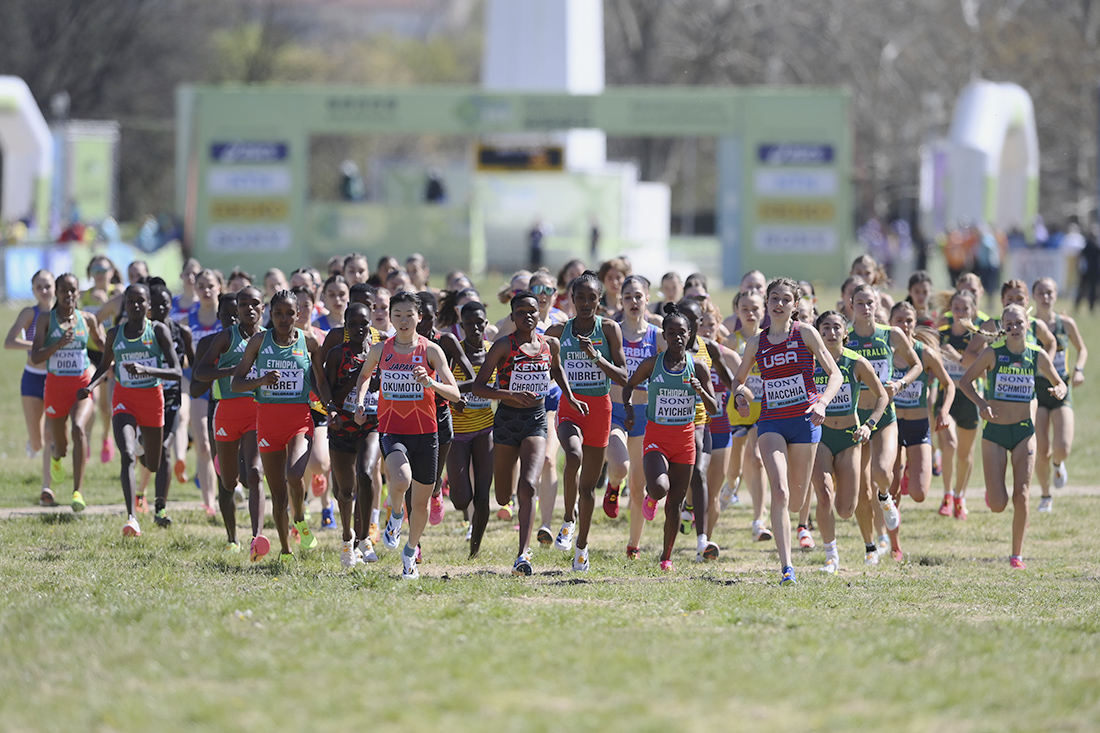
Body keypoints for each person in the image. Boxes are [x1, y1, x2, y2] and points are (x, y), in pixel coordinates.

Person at [732, 277, 842, 585]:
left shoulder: (805, 333)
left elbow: (834, 374)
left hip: (805, 421)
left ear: (795, 305)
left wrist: (822, 402)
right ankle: (787, 567)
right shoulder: (756, 343)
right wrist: (741, 395)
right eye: (774, 299)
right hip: (771, 422)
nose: (778, 304)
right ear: (767, 303)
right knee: (779, 491)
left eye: (785, 300)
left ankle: (800, 523)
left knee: (795, 501)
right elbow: (738, 381)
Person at [353, 291, 461, 579]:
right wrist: (361, 401)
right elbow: (364, 377)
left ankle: (410, 552)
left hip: (426, 432)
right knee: (400, 480)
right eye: (397, 315)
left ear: (419, 317)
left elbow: (456, 393)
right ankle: (396, 516)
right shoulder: (380, 350)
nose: (403, 321)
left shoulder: (431, 350)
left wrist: (432, 383)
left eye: (408, 315)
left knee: (422, 504)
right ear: (390, 317)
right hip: (392, 428)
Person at [471, 291, 580, 575]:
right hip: (506, 422)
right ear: (513, 316)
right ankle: (506, 502)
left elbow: (557, 372)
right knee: (503, 494)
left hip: (536, 420)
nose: (528, 316)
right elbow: (478, 387)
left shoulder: (549, 344)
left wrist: (570, 397)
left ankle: (523, 554)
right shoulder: (502, 347)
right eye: (521, 312)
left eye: (532, 311)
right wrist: (509, 394)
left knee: (530, 484)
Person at [959, 304, 1067, 568]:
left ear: (1028, 324)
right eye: (1009, 324)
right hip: (994, 432)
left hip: (1023, 432)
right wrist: (982, 404)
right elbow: (965, 382)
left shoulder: (1037, 354)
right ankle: (993, 491)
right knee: (998, 504)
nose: (1014, 328)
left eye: (1019, 323)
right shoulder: (992, 353)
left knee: (1021, 495)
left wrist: (1060, 391)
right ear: (1003, 328)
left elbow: (1059, 381)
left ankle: (1016, 555)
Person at [232, 289, 330, 560]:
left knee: (294, 475)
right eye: (278, 313)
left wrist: (330, 406)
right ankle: (286, 549)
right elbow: (236, 382)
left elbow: (320, 381)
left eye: (290, 313)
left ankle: (299, 515)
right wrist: (261, 381)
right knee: (277, 494)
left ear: (299, 315)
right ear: (269, 314)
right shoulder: (258, 342)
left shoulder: (309, 343)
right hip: (267, 423)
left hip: (299, 421)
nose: (284, 318)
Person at [78, 284, 182, 536]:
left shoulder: (158, 331)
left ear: (148, 305)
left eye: (140, 301)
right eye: (130, 301)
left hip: (152, 399)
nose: (135, 305)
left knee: (153, 463)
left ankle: (141, 444)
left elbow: (177, 371)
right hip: (124, 398)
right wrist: (90, 386)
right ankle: (131, 517)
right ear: (124, 305)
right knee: (126, 455)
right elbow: (104, 366)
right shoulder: (115, 334)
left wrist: (147, 370)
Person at [623, 303, 718, 570]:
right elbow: (628, 386)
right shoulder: (653, 364)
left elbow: (714, 409)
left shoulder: (697, 367)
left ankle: (666, 557)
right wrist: (629, 411)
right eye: (672, 332)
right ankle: (651, 497)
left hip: (685, 440)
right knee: (660, 488)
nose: (677, 337)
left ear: (690, 335)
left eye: (682, 333)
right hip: (656, 437)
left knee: (675, 502)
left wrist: (701, 391)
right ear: (663, 335)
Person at [545, 272, 628, 572]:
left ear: (599, 299)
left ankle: (582, 545)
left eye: (592, 297)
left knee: (589, 488)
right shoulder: (559, 331)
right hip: (570, 405)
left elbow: (623, 376)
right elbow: (551, 366)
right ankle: (568, 519)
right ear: (571, 299)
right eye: (580, 297)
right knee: (573, 454)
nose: (585, 303)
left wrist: (596, 358)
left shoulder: (609, 329)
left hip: (600, 409)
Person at [847, 283, 922, 564]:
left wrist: (900, 383)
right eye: (860, 303)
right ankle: (869, 546)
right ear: (851, 305)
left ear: (877, 306)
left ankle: (886, 497)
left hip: (885, 415)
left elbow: (916, 365)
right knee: (859, 490)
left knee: (881, 472)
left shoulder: (891, 335)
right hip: (855, 418)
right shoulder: (843, 337)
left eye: (870, 303)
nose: (866, 308)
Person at [810, 311, 887, 573]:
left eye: (836, 328)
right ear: (818, 333)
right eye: (825, 328)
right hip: (818, 437)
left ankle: (871, 543)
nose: (830, 333)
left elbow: (882, 396)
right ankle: (831, 555)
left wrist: (869, 425)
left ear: (845, 333)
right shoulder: (808, 361)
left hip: (849, 438)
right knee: (823, 493)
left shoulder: (856, 362)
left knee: (846, 508)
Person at [195, 286, 268, 558]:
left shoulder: (269, 338)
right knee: (228, 482)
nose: (249, 308)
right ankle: (231, 538)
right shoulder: (226, 338)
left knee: (255, 473)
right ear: (237, 309)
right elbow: (200, 372)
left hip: (257, 411)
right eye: (244, 304)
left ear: (263, 308)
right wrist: (231, 371)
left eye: (255, 304)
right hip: (226, 411)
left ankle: (256, 537)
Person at [29, 273, 104, 511]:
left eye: (73, 290)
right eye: (64, 290)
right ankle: (56, 457)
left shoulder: (88, 319)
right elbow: (36, 356)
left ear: (78, 293)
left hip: (81, 385)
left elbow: (103, 346)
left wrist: (115, 348)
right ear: (57, 293)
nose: (69, 295)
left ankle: (77, 492)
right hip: (55, 388)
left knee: (79, 429)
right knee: (60, 446)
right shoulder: (45, 320)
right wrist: (58, 343)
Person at [606, 276, 663, 559]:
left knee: (640, 488)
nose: (633, 301)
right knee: (620, 466)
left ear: (648, 299)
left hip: (645, 415)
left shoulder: (658, 335)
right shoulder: (611, 331)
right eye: (627, 296)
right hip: (615, 411)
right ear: (620, 300)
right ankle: (613, 486)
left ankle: (633, 545)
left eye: (638, 296)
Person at [324, 302, 382, 567]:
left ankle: (364, 537)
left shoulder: (380, 353)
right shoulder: (338, 354)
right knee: (345, 491)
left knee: (367, 474)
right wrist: (358, 376)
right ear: (346, 327)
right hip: (341, 428)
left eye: (364, 323)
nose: (360, 328)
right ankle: (347, 538)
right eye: (354, 324)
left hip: (370, 425)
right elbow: (330, 394)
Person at [888, 302, 955, 517]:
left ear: (915, 323)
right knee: (891, 489)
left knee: (919, 493)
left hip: (918, 426)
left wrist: (943, 411)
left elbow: (949, 384)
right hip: (891, 426)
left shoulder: (925, 353)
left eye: (909, 320)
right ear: (890, 323)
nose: (905, 325)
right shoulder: (885, 353)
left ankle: (909, 469)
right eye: (899, 320)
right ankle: (891, 544)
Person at [1031, 277, 1087, 511]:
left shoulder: (1066, 323)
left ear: (1055, 295)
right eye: (1041, 293)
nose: (1046, 297)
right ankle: (1046, 496)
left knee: (1062, 446)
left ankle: (1058, 464)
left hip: (1062, 387)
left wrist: (1078, 370)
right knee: (1040, 449)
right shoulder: (1027, 325)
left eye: (1050, 293)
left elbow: (1081, 348)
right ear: (1034, 296)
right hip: (1037, 389)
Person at [445, 301, 496, 556]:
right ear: (461, 326)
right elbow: (443, 389)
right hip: (457, 434)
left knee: (483, 495)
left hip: (485, 430)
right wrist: (465, 392)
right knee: (461, 499)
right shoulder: (454, 353)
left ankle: (474, 550)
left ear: (486, 324)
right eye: (469, 324)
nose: (475, 328)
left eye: (480, 323)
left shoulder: (492, 352)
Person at [141, 279, 193, 519]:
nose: (161, 309)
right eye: (156, 305)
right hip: (145, 395)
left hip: (171, 396)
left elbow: (193, 365)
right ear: (148, 306)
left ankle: (160, 506)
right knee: (144, 450)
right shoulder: (139, 330)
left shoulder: (181, 332)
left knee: (164, 448)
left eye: (165, 305)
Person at [5, 269, 56, 504]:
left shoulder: (62, 313)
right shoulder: (30, 313)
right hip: (32, 378)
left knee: (50, 435)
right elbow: (9, 342)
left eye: (48, 285)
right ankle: (32, 442)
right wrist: (36, 345)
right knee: (37, 441)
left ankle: (47, 487)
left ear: (55, 286)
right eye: (39, 287)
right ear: (33, 290)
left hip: (56, 378)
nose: (44, 291)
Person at [723, 291, 770, 542]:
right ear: (737, 312)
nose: (750, 313)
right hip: (737, 412)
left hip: (763, 412)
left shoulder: (771, 339)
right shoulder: (732, 341)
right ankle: (730, 486)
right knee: (735, 469)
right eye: (744, 309)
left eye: (755, 308)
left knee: (758, 459)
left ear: (763, 310)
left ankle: (758, 520)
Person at [936, 289, 986, 519]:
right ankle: (946, 494)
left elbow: (982, 372)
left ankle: (960, 496)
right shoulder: (942, 334)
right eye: (956, 308)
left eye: (965, 309)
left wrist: (954, 357)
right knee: (950, 445)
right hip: (945, 398)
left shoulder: (978, 338)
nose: (960, 313)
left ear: (974, 311)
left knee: (965, 453)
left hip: (970, 399)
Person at [188, 269, 225, 518]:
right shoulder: (188, 319)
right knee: (202, 444)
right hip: (200, 388)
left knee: (220, 447)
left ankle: (227, 494)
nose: (206, 290)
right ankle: (208, 504)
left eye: (211, 285)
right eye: (201, 286)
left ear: (220, 287)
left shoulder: (227, 319)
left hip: (225, 388)